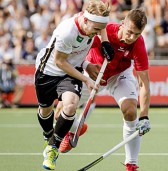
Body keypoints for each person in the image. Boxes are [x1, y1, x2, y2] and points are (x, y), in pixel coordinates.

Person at [55, 8, 151, 171]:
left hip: (119, 74)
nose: (131, 38)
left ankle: (131, 164)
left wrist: (144, 116)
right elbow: (75, 51)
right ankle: (77, 127)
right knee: (60, 114)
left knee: (130, 111)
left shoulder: (138, 43)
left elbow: (144, 83)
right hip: (92, 71)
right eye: (129, 32)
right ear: (123, 24)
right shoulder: (104, 31)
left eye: (136, 34)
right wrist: (87, 66)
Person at [34, 0, 114, 170]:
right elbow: (60, 62)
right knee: (45, 111)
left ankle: (53, 147)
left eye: (100, 30)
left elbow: (100, 28)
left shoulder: (92, 24)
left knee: (70, 107)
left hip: (70, 73)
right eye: (95, 30)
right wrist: (86, 78)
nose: (96, 34)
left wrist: (104, 42)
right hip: (48, 72)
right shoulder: (67, 31)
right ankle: (49, 135)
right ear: (85, 20)